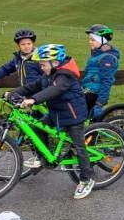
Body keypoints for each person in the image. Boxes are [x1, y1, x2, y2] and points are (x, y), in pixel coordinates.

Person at [12, 44, 94, 199]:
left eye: (43, 64)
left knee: (79, 147)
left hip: (73, 115)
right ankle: (44, 157)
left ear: (54, 62)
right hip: (57, 113)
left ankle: (85, 180)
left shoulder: (65, 76)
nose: (41, 68)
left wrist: (33, 100)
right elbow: (34, 85)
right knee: (37, 128)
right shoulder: (48, 74)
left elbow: (53, 90)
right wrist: (13, 93)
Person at [82, 24, 120, 121]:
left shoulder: (107, 58)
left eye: (92, 40)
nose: (89, 42)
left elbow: (107, 81)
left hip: (94, 95)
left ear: (103, 41)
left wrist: (99, 103)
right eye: (89, 39)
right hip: (87, 91)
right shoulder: (96, 54)